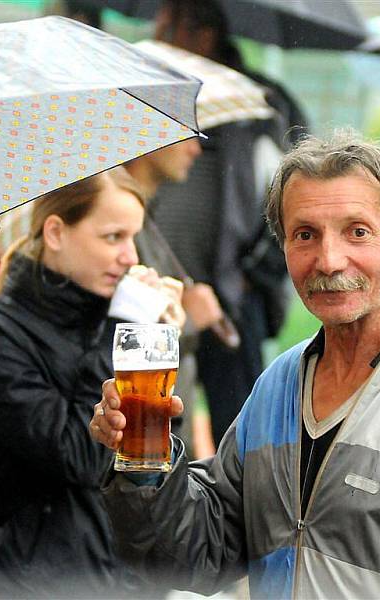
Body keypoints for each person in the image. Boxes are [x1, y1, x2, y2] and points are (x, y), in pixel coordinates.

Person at [90, 132, 380, 598]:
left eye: (358, 231)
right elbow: (201, 553)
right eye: (305, 234)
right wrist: (145, 461)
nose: (329, 261)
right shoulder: (281, 383)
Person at [0, 167, 181, 598]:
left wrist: (161, 347)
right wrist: (126, 335)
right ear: (55, 232)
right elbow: (79, 456)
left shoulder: (110, 318)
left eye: (133, 237)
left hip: (125, 580)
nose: (130, 256)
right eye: (113, 237)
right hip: (30, 581)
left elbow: (152, 462)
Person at [148, 0, 306, 445]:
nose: (157, 39)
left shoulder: (259, 104)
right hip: (164, 295)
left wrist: (255, 276)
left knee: (240, 432)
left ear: (202, 35)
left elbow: (296, 197)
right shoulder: (154, 96)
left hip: (233, 295)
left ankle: (238, 513)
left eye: (167, 26)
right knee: (160, 426)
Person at [126, 140, 225, 458]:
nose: (196, 149)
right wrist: (191, 320)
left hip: (169, 441)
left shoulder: (146, 217)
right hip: (143, 449)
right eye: (185, 135)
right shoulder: (122, 226)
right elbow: (117, 346)